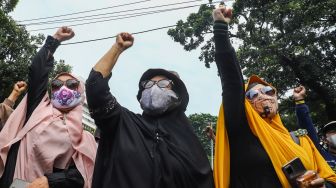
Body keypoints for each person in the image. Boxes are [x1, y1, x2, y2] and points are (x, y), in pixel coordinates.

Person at [212, 7, 336, 188]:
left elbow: (330, 178)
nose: (264, 96)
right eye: (253, 94)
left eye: (269, 91)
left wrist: (322, 185)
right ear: (245, 103)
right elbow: (231, 82)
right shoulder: (241, 132)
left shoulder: (300, 140)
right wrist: (221, 30)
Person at [86, 32, 214, 188]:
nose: (153, 88)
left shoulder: (190, 145)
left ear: (178, 96)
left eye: (163, 84)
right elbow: (95, 86)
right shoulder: (123, 123)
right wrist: (117, 48)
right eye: (148, 84)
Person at [0, 27, 96, 188]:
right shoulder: (38, 108)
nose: (63, 88)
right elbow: (37, 72)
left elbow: (81, 174)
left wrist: (51, 181)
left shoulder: (83, 137)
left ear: (80, 92)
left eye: (71, 84)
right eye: (57, 84)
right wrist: (55, 40)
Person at [294, 85, 336, 171]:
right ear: (325, 139)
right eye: (333, 131)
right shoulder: (320, 155)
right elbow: (307, 128)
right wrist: (299, 101)